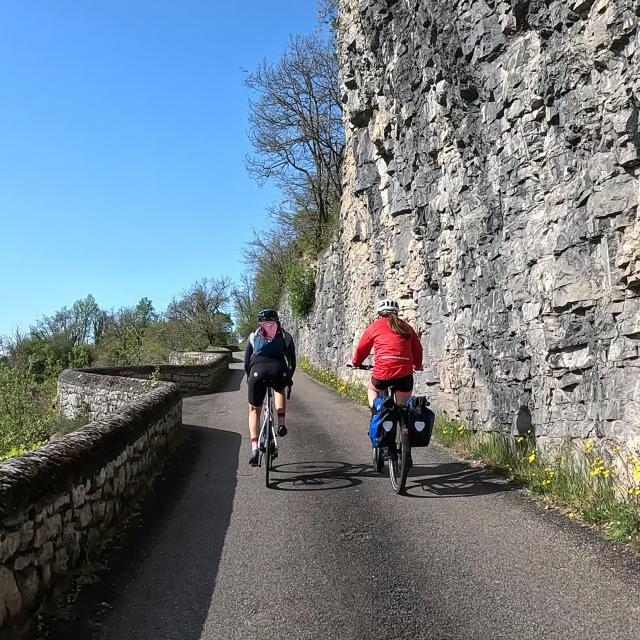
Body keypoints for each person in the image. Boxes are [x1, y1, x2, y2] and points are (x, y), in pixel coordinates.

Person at [244, 308, 296, 466]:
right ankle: (281, 423)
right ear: (277, 320)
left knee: (254, 410)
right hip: (278, 370)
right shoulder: (285, 336)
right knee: (280, 389)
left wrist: (249, 378)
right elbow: (292, 362)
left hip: (256, 373)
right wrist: (289, 378)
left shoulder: (253, 336)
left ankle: (254, 448)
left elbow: (246, 362)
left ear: (259, 322)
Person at [349, 299, 423, 407]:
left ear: (379, 314)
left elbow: (362, 349)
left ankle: (377, 412)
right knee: (402, 408)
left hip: (382, 373)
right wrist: (417, 366)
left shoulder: (374, 327)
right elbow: (417, 350)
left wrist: (356, 363)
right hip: (405, 375)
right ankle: (403, 422)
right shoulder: (407, 328)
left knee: (372, 390)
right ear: (397, 313)